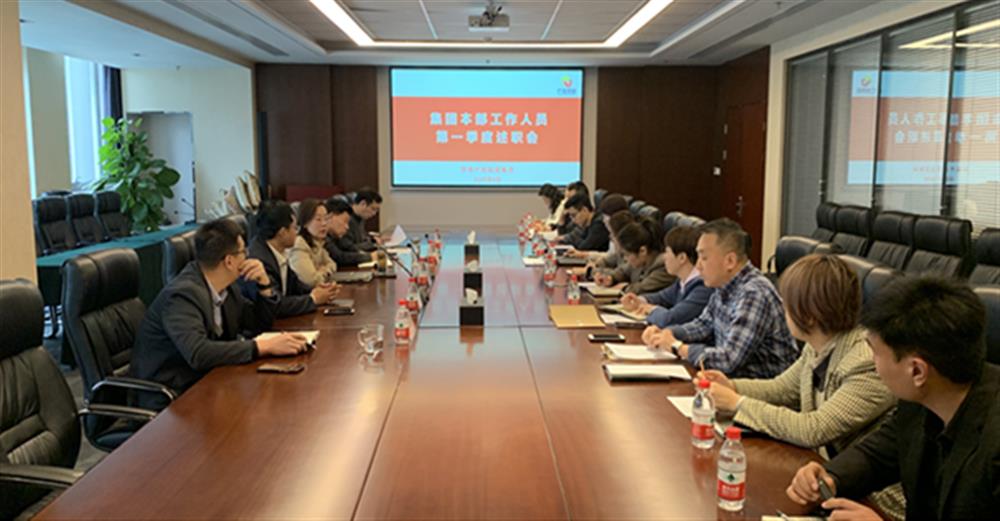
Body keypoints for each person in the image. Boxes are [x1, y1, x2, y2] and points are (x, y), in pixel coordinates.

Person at [699, 254, 903, 517]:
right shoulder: (818, 345)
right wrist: (732, 385)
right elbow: (781, 389)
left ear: (809, 316)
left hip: (876, 503)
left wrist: (738, 403)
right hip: (830, 482)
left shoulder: (866, 360)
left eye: (786, 305)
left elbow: (813, 428)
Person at [787, 276, 998, 520]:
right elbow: (877, 456)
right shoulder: (922, 400)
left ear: (917, 371)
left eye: (875, 352)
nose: (871, 361)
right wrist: (830, 477)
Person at [131, 219, 309, 410]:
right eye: (244, 252)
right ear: (229, 261)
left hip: (208, 382)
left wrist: (264, 286)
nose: (248, 257)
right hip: (171, 397)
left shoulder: (227, 288)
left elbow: (257, 324)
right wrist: (260, 347)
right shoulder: (181, 295)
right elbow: (198, 353)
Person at [642, 218, 797, 378]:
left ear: (730, 261)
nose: (698, 266)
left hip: (758, 387)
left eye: (704, 258)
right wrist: (668, 333)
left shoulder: (754, 293)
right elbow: (704, 325)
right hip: (729, 382)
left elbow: (729, 359)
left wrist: (678, 347)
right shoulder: (723, 285)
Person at [249, 200, 339, 317]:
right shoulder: (260, 260)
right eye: (294, 228)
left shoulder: (278, 251)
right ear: (282, 232)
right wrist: (313, 299)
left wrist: (319, 290)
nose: (297, 233)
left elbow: (295, 285)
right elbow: (276, 304)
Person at [620, 225, 714, 327]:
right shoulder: (682, 281)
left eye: (667, 252)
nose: (664, 257)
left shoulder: (703, 287)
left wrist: (651, 309)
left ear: (682, 258)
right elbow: (662, 297)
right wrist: (640, 300)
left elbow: (671, 319)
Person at [593, 217, 674, 294]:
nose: (625, 258)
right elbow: (623, 272)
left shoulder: (663, 265)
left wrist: (624, 288)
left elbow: (642, 288)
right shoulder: (640, 261)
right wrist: (611, 278)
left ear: (642, 251)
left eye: (627, 255)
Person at [288, 198, 337, 287]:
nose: (324, 223)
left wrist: (323, 270)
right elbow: (311, 281)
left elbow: (333, 264)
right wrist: (323, 272)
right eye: (318, 219)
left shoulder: (317, 242)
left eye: (326, 219)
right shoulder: (299, 245)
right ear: (305, 223)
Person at [325, 197, 375, 267]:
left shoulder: (335, 237)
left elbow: (348, 248)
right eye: (345, 221)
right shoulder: (323, 238)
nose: (347, 227)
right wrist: (369, 256)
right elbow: (340, 257)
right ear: (330, 216)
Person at [341, 189, 382, 255]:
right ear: (363, 204)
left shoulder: (361, 218)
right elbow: (349, 248)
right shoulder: (347, 219)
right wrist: (372, 243)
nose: (374, 213)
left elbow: (362, 238)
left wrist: (373, 240)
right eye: (373, 209)